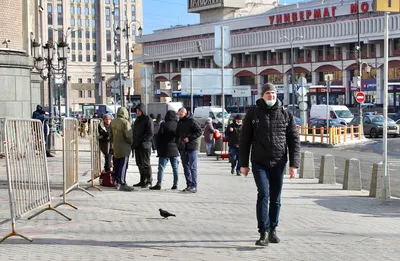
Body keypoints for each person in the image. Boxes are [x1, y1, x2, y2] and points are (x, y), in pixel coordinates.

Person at [240, 83, 300, 246]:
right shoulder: (253, 113)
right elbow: (244, 140)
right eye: (267, 93)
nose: (271, 96)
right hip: (259, 162)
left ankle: (273, 229)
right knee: (263, 194)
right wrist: (243, 163)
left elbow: (294, 140)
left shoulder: (286, 113)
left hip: (279, 162)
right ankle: (263, 232)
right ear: (262, 96)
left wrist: (294, 165)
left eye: (273, 93)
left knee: (276, 198)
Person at [150, 110, 179, 190]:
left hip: (164, 149)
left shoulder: (163, 124)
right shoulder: (177, 125)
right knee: (175, 168)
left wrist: (157, 148)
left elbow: (159, 137)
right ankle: (175, 184)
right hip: (174, 150)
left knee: (161, 168)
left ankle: (159, 184)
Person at [175, 107, 202, 193]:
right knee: (185, 167)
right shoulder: (179, 122)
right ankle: (189, 184)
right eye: (178, 114)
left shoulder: (192, 121)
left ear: (185, 113)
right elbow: (177, 134)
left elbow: (199, 131)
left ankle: (194, 186)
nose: (179, 116)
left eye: (181, 114)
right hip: (183, 147)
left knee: (192, 167)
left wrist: (189, 138)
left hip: (192, 147)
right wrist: (178, 143)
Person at [110, 107, 134, 192]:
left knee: (116, 165)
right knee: (123, 166)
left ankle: (116, 181)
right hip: (124, 148)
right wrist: (132, 143)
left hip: (115, 147)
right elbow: (129, 136)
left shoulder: (112, 122)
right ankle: (122, 183)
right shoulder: (125, 122)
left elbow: (110, 135)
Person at [132, 103, 154, 188]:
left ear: (142, 111)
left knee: (145, 163)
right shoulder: (137, 120)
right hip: (137, 145)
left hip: (145, 145)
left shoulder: (148, 119)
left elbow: (150, 133)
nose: (137, 112)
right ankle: (142, 180)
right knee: (139, 163)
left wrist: (142, 140)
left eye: (139, 111)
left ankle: (148, 181)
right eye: (137, 111)